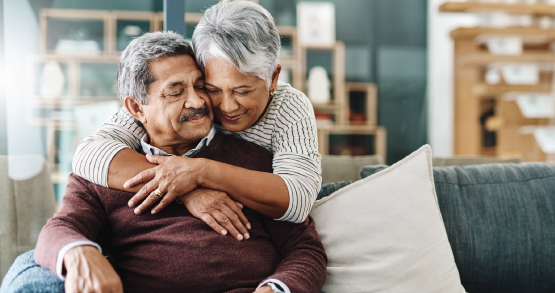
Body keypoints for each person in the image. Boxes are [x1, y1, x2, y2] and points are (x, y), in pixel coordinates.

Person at [1, 31, 326, 293]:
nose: (198, 101)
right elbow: (59, 229)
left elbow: (306, 250)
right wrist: (79, 253)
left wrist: (275, 289)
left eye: (201, 86)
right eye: (176, 92)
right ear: (136, 108)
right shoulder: (105, 171)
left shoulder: (252, 161)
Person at [72, 0, 322, 241]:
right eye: (212, 88)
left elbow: (298, 200)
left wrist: (201, 171)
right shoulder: (184, 102)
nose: (226, 106)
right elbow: (89, 154)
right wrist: (188, 189)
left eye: (242, 91)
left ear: (273, 78)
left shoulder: (289, 107)